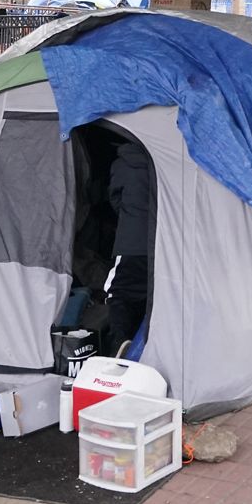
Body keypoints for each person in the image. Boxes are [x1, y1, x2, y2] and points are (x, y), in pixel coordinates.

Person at [106, 142, 153, 356]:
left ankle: (121, 343)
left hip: (131, 243)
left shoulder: (122, 164)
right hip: (164, 246)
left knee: (119, 294)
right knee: (156, 294)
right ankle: (148, 346)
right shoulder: (166, 160)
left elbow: (115, 199)